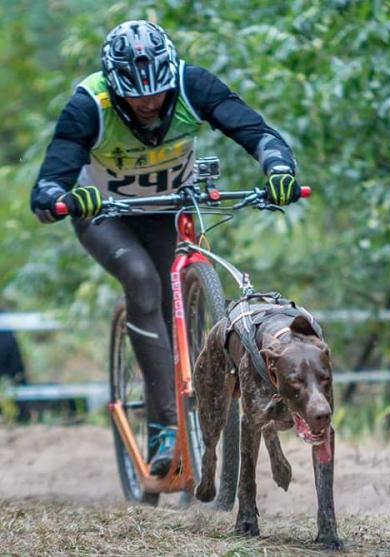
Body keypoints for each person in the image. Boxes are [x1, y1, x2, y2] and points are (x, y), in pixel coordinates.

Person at [29, 20, 302, 476]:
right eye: (136, 98)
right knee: (140, 281)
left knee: (172, 287)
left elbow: (258, 132)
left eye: (157, 94)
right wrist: (60, 198)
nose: (150, 105)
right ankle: (164, 425)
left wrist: (277, 169)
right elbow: (49, 182)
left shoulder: (193, 84)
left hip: (170, 206)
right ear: (116, 91)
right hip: (105, 213)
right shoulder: (89, 104)